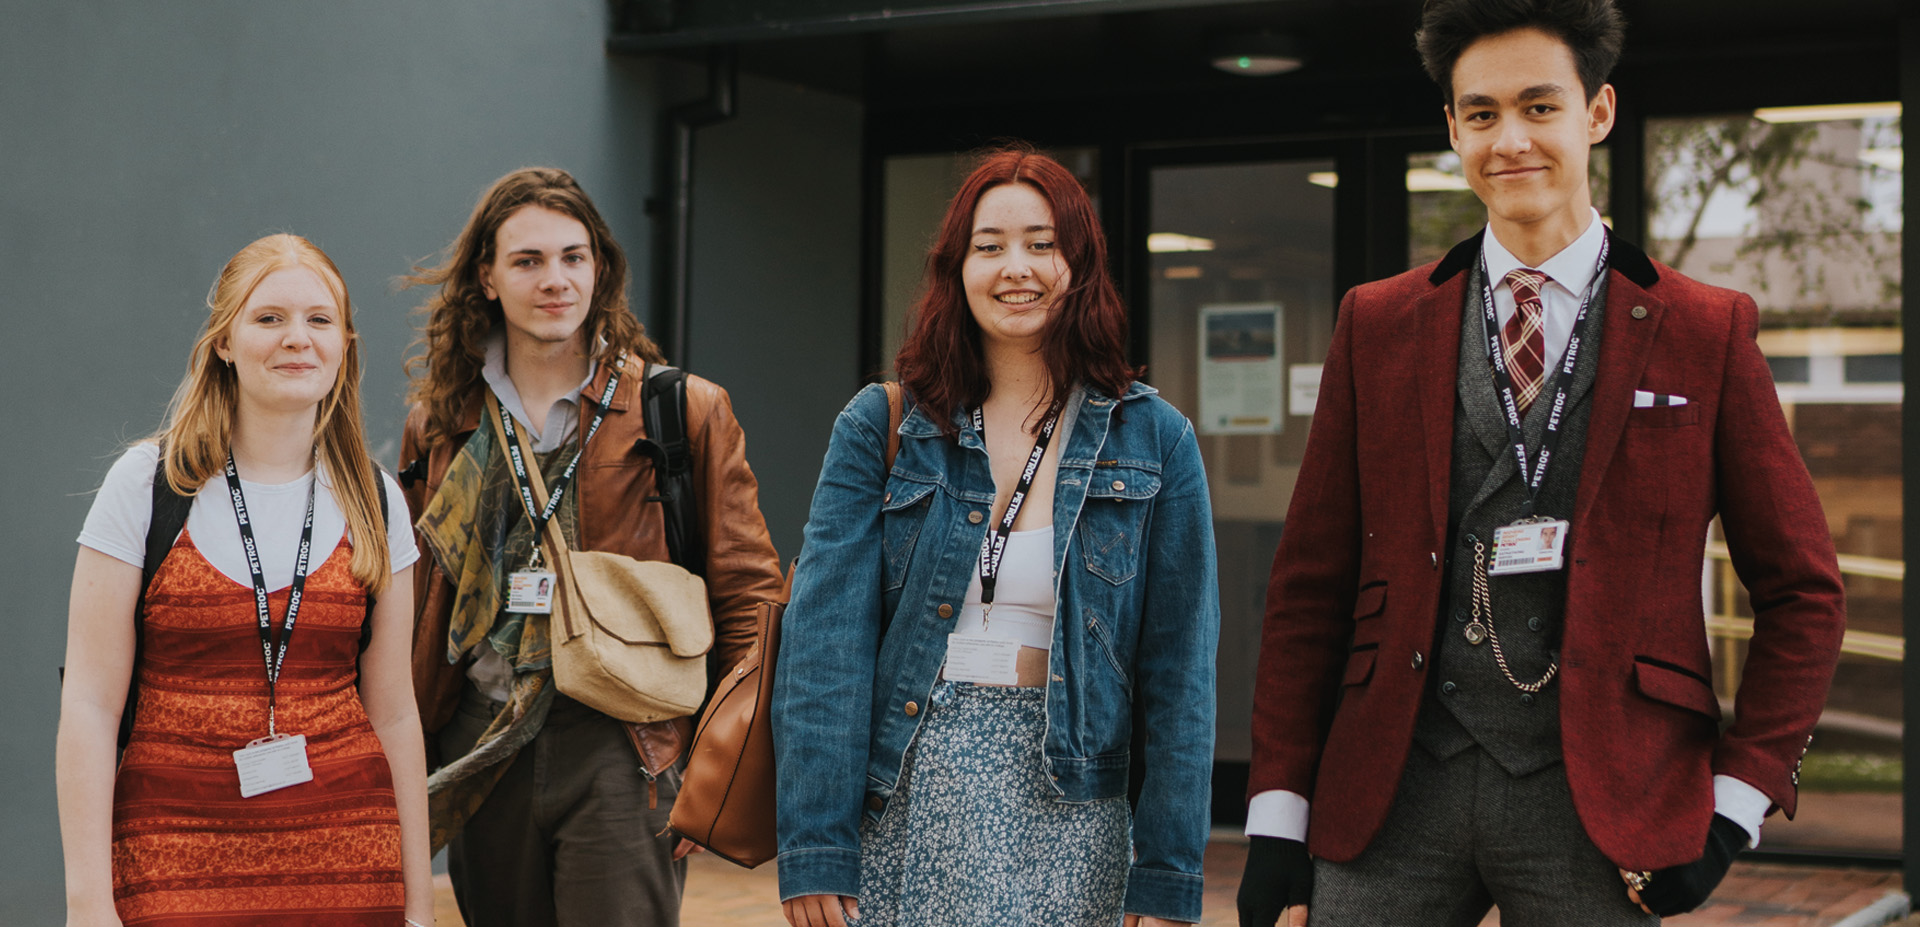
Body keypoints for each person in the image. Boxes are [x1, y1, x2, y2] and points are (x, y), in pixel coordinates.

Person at [1236, 1, 1847, 924]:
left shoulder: (1704, 329)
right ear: (1451, 129)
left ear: (1596, 113)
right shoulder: (1378, 322)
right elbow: (1310, 585)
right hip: (1395, 786)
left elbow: (1803, 590)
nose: (1509, 138)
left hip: (1602, 798)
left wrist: (1736, 804)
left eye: (1539, 106)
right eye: (1480, 114)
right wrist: (1278, 809)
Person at [774, 145, 1220, 927]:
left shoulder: (1156, 439)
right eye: (990, 246)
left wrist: (1169, 869)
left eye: (1043, 243)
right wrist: (816, 841)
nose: (1017, 266)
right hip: (911, 783)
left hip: (1075, 801)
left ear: (1080, 263)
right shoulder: (882, 425)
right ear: (957, 268)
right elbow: (825, 646)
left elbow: (1182, 674)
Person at [398, 166, 783, 927]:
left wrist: (716, 767)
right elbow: (409, 600)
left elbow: (750, 598)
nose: (556, 280)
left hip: (624, 741)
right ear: (486, 277)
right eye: (528, 260)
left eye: (574, 257)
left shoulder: (680, 409)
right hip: (483, 735)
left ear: (599, 268)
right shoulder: (442, 421)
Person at [56, 234, 433, 926]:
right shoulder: (148, 485)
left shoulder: (375, 500)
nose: (297, 338)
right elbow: (88, 704)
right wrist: (88, 903)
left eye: (319, 320)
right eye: (269, 318)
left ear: (344, 343)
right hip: (171, 868)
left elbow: (396, 713)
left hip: (349, 873)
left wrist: (418, 906)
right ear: (224, 341)